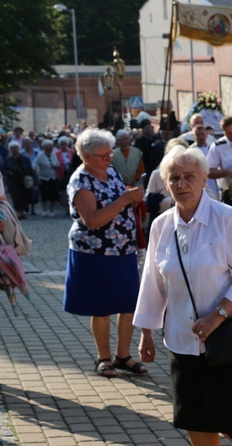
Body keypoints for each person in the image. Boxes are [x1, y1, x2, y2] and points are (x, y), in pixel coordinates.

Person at [133, 145, 232, 446]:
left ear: (205, 179)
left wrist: (217, 316)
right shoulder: (161, 225)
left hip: (228, 342)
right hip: (182, 343)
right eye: (174, 178)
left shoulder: (229, 219)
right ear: (165, 184)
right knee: (197, 425)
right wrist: (146, 333)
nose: (182, 184)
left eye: (189, 176)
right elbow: (152, 282)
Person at [63, 129, 147, 378]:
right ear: (86, 156)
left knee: (128, 304)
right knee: (100, 307)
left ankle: (123, 355)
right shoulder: (81, 182)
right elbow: (92, 220)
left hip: (122, 250)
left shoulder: (110, 171)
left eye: (110, 153)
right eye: (103, 155)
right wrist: (123, 200)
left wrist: (132, 200)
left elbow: (116, 201)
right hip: (94, 252)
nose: (109, 159)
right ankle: (104, 357)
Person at [4, 141, 37, 220]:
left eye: (16, 148)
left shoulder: (25, 159)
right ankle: (18, 211)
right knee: (15, 197)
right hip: (13, 181)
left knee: (24, 197)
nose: (14, 150)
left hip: (23, 180)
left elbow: (30, 169)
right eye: (12, 148)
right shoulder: (8, 160)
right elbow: (4, 170)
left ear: (19, 149)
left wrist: (34, 179)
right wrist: (9, 173)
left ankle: (22, 212)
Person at [32, 139, 60, 217]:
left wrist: (55, 166)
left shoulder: (53, 154)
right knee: (44, 195)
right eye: (49, 147)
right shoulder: (40, 155)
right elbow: (34, 166)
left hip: (53, 177)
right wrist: (37, 178)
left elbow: (57, 164)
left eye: (51, 147)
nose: (51, 148)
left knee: (53, 195)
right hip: (43, 178)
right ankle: (44, 210)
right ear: (45, 147)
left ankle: (52, 210)